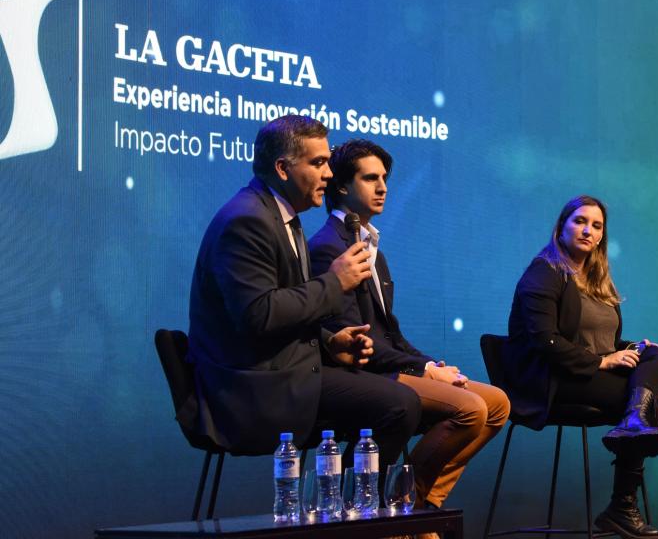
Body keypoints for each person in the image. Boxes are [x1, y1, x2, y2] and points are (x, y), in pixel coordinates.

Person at [186, 116, 420, 467]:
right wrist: (335, 282)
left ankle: (348, 512)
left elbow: (285, 310)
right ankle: (351, 516)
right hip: (255, 388)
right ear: (282, 168)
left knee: (401, 400)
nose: (329, 174)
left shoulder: (281, 217)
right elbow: (259, 314)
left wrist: (331, 343)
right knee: (400, 404)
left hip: (286, 371)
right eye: (319, 163)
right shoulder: (246, 221)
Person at [308, 139, 510, 510]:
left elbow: (392, 333)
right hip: (361, 376)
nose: (383, 187)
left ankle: (422, 503)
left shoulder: (373, 251)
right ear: (340, 186)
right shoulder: (328, 248)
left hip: (391, 367)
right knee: (471, 409)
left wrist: (432, 365)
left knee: (496, 403)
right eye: (371, 178)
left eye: (384, 178)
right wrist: (424, 371)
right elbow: (359, 342)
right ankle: (402, 504)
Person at [503, 195, 658, 538]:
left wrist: (629, 349)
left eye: (596, 226)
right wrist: (601, 361)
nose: (587, 230)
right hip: (550, 377)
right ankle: (622, 506)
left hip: (587, 368)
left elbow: (601, 340)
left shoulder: (596, 279)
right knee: (643, 404)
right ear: (562, 226)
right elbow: (544, 340)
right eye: (580, 221)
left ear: (601, 237)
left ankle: (633, 421)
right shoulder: (546, 271)